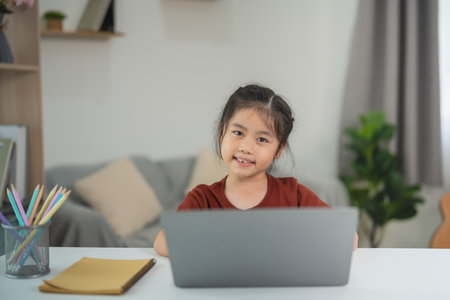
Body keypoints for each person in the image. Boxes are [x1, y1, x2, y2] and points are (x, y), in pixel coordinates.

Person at [154, 84, 358, 256]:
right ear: (221, 133)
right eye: (238, 133)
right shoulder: (202, 199)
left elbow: (349, 237)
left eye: (261, 139)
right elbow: (162, 242)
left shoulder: (294, 195)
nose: (246, 147)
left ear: (278, 149)